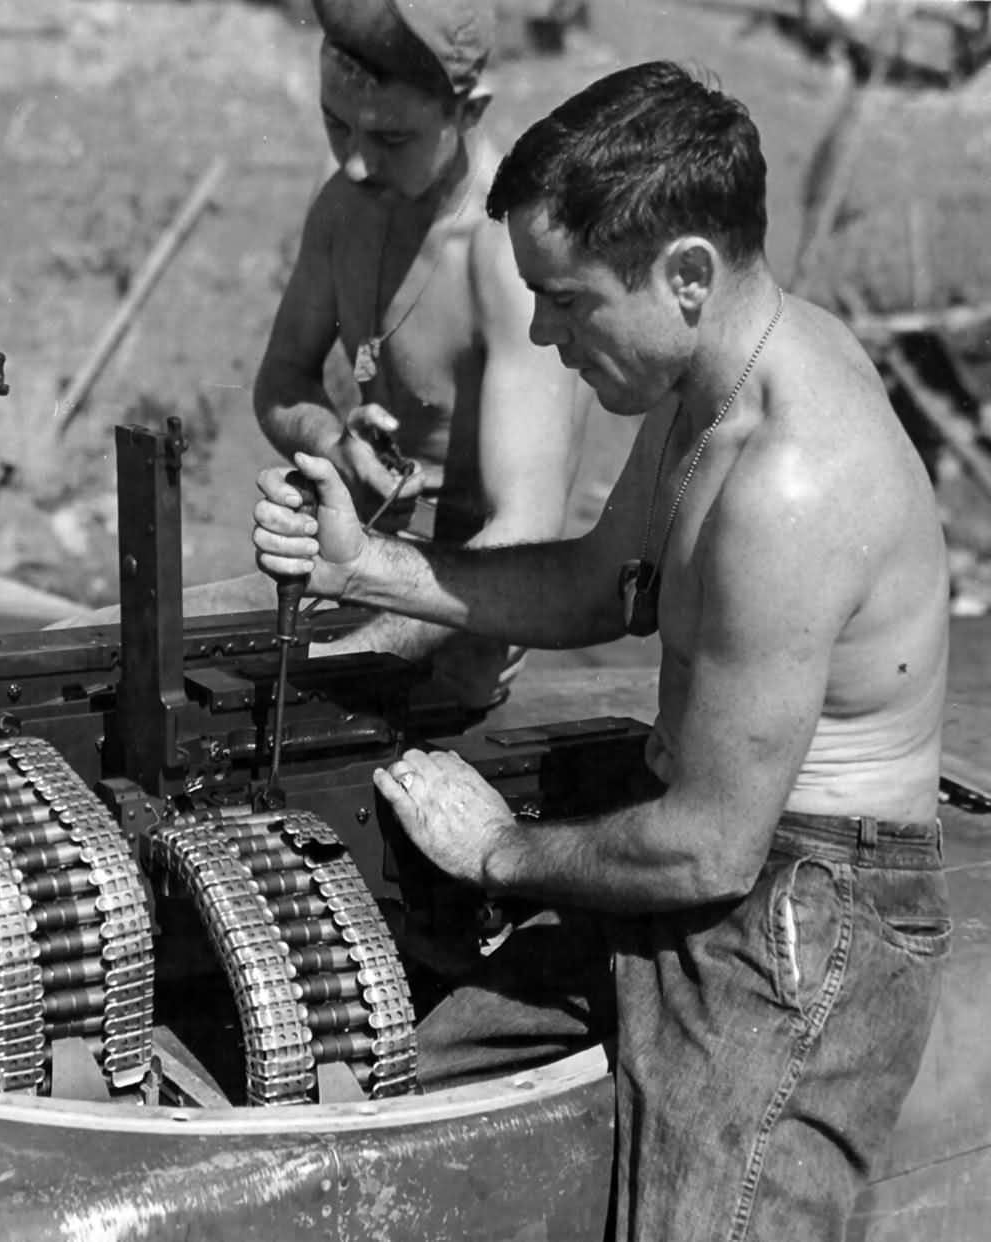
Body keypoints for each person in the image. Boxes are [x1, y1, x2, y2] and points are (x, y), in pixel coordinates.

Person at [252, 60, 951, 1241]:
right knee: (380, 1106)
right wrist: (359, 566)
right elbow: (595, 582)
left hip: (797, 915)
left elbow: (709, 856)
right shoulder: (707, 387)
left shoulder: (790, 478)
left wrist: (500, 853)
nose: (538, 331)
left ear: (684, 275)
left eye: (565, 299)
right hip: (691, 842)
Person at [55, 0, 591, 714]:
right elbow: (281, 382)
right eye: (336, 125)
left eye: (392, 136)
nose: (358, 161)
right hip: (344, 576)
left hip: (454, 634)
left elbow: (526, 533)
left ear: (467, 112)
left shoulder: (507, 259)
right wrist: (335, 442)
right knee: (69, 650)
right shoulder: (344, 208)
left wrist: (343, 660)